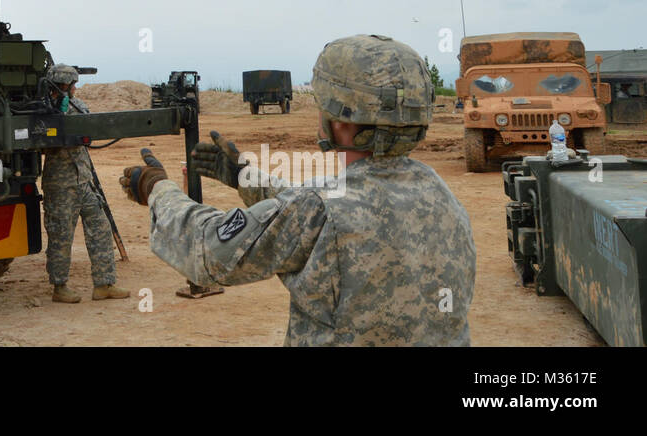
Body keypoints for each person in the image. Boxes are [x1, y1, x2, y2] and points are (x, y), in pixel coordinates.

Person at [120, 34, 476, 345]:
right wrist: (246, 178)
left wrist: (156, 189)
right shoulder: (443, 195)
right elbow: (314, 208)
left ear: (340, 117)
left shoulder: (317, 209)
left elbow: (205, 250)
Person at [41, 64, 128, 303]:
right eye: (71, 85)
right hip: (61, 185)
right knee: (61, 236)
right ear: (62, 86)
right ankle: (59, 288)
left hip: (84, 182)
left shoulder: (76, 107)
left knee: (100, 229)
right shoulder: (43, 111)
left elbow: (90, 127)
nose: (74, 89)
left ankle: (104, 284)